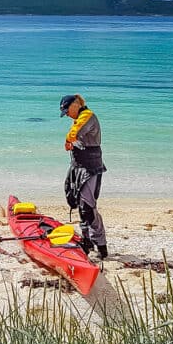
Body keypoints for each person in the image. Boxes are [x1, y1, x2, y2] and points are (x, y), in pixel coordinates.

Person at [60, 94, 108, 259]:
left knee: (88, 208)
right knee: (79, 204)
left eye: (67, 111)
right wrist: (71, 145)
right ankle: (87, 241)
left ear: (75, 105)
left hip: (90, 167)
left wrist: (68, 140)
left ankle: (101, 246)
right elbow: (78, 139)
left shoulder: (87, 116)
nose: (67, 114)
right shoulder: (80, 117)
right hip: (79, 166)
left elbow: (75, 133)